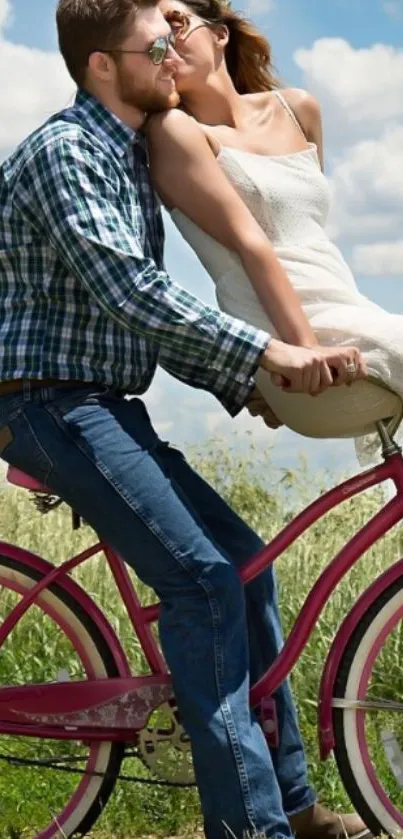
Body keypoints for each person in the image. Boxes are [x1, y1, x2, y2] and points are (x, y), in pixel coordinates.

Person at [0, 1, 368, 838]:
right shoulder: (69, 151)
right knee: (203, 581)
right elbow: (133, 292)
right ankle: (250, 828)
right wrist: (264, 356)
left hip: (100, 401)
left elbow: (145, 320)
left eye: (174, 39)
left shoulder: (129, 153)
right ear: (102, 64)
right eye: (153, 45)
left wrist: (247, 388)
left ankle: (292, 803)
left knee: (244, 567)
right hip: (47, 403)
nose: (171, 55)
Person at [146, 0, 403, 461]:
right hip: (288, 339)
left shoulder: (299, 108)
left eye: (176, 23)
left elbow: (310, 238)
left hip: (347, 310)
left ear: (220, 33)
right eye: (151, 37)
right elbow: (251, 245)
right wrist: (304, 350)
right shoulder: (174, 130)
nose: (164, 41)